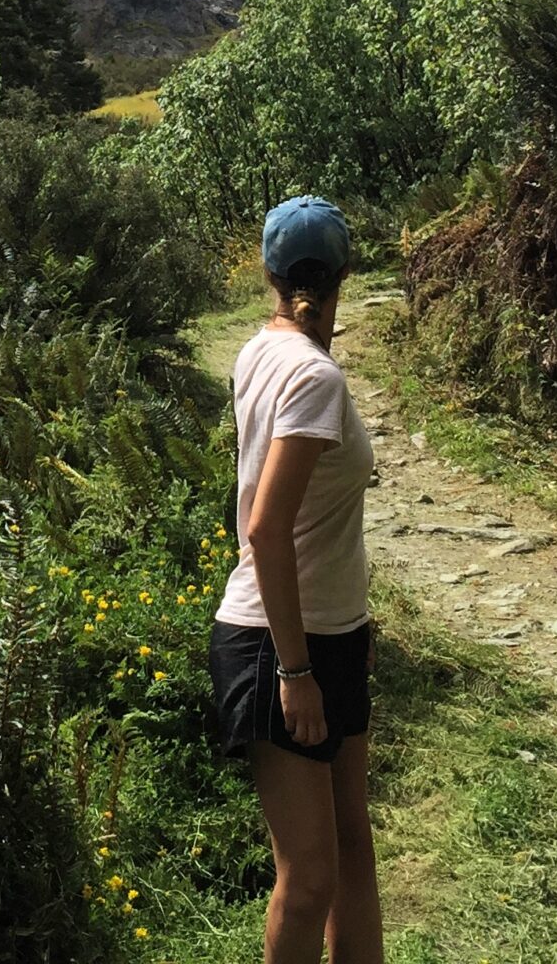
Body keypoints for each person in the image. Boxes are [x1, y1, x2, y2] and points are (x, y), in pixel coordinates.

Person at [209, 195, 381, 963]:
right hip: (283, 643)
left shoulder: (261, 351)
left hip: (331, 629)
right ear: (345, 274)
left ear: (268, 272)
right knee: (309, 878)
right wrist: (295, 670)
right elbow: (264, 528)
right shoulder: (314, 378)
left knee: (352, 847)